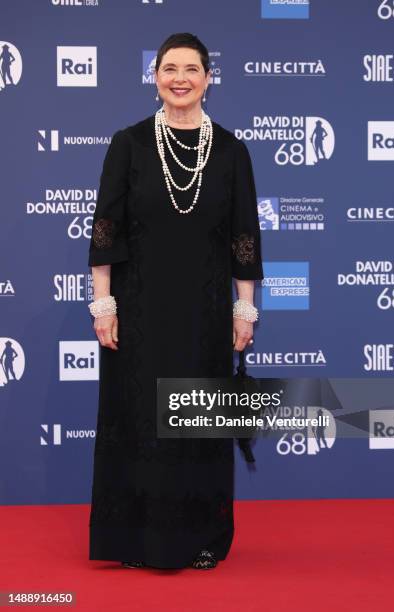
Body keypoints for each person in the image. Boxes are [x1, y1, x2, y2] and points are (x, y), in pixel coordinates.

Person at [87, 32, 264, 570]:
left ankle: (203, 536)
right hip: (138, 312)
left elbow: (244, 236)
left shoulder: (232, 151)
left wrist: (243, 307)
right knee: (139, 418)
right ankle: (135, 539)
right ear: (155, 76)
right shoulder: (130, 143)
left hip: (205, 314)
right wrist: (104, 304)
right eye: (170, 68)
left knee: (199, 422)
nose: (180, 78)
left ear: (209, 79)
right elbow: (105, 231)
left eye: (192, 69)